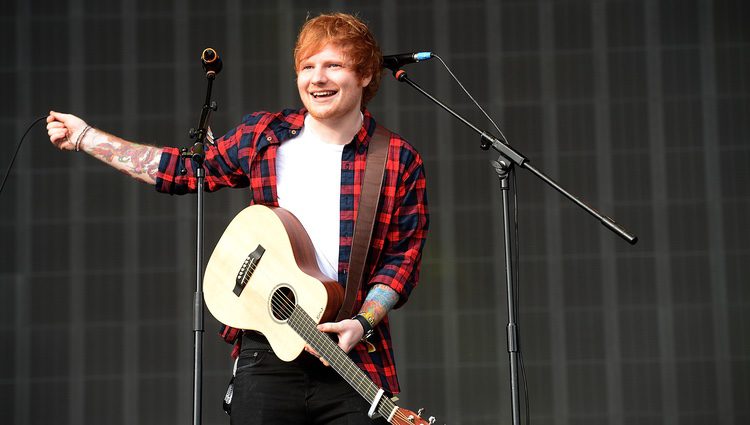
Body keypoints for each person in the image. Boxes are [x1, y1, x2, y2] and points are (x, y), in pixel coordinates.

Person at [46, 12, 428, 425]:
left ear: (367, 75)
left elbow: (402, 261)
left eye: (333, 65)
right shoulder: (266, 136)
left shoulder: (396, 158)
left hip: (351, 351)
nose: (317, 78)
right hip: (265, 349)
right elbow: (182, 170)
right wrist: (87, 137)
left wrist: (362, 321)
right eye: (307, 66)